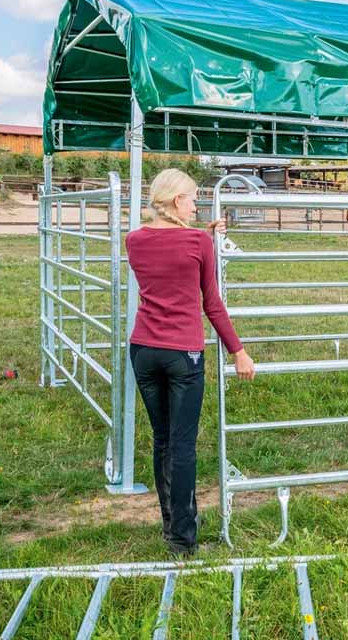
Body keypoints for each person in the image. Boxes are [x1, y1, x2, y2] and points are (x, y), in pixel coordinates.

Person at [125, 168, 255, 555]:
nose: (196, 203)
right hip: (183, 353)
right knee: (183, 445)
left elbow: (168, 251)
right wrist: (238, 350)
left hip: (144, 351)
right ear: (177, 200)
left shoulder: (134, 240)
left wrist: (205, 235)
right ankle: (183, 539)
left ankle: (172, 523)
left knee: (162, 440)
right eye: (192, 197)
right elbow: (211, 303)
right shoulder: (198, 242)